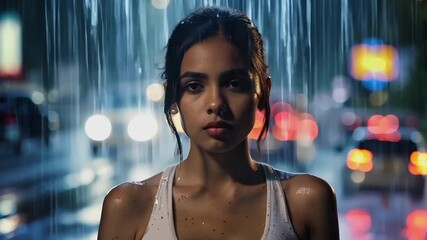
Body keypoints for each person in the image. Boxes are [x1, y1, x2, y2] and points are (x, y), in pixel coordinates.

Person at [98, 6, 339, 240]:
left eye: (234, 83)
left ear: (263, 93)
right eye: (194, 86)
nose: (216, 103)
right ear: (173, 96)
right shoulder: (129, 206)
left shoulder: (306, 200)